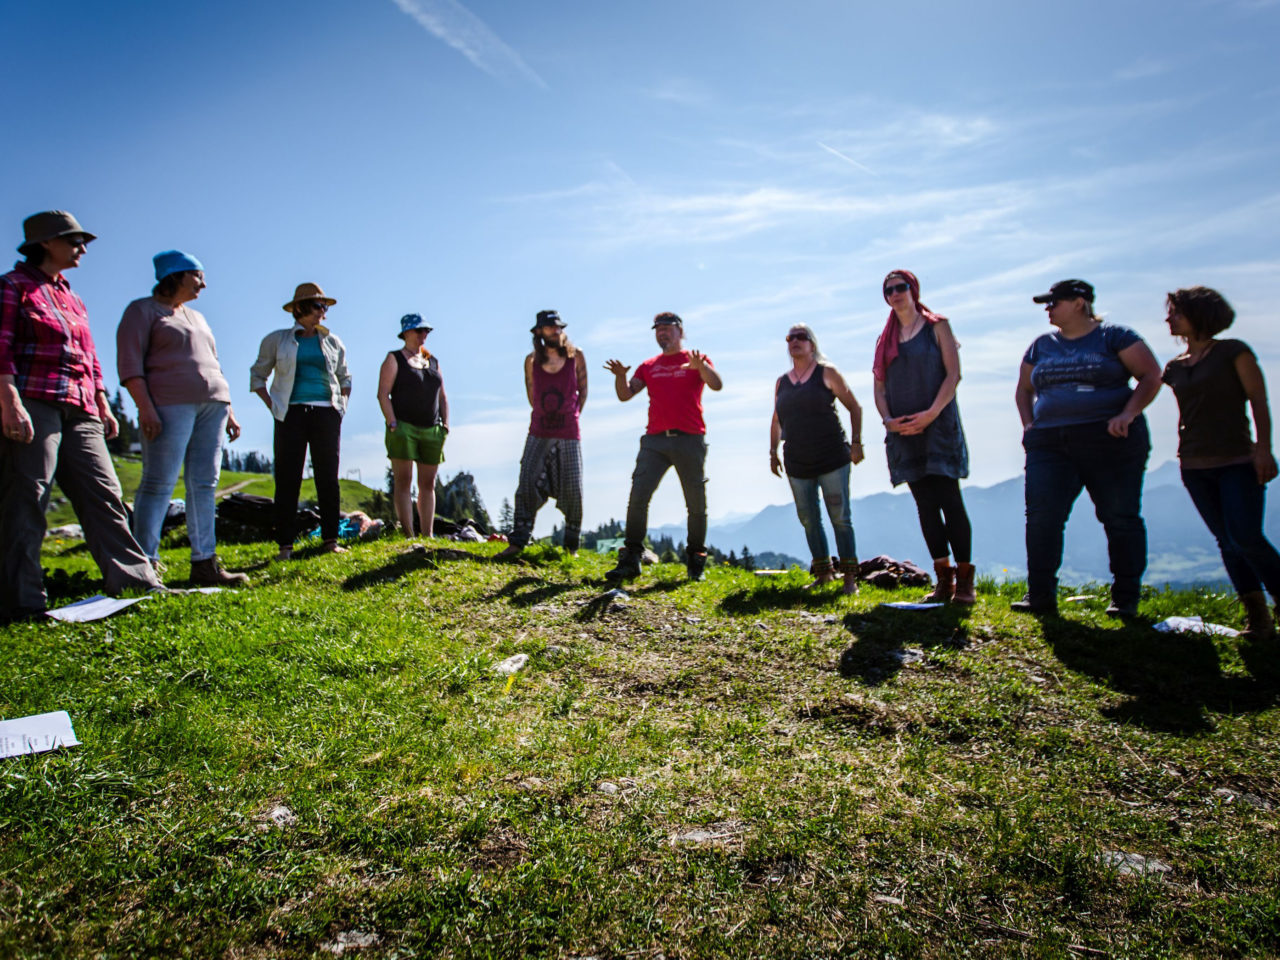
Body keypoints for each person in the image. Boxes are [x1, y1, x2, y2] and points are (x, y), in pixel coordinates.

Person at [0, 210, 163, 621]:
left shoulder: (73, 298)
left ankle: (135, 581)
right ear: (45, 244)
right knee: (28, 495)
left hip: (82, 408)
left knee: (104, 493)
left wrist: (103, 403)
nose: (82, 249)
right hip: (33, 400)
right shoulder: (13, 287)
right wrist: (9, 400)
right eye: (74, 241)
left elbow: (89, 359)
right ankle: (22, 600)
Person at [1013, 279, 1162, 616]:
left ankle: (1125, 598)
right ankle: (1040, 594)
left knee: (1119, 516)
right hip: (1049, 443)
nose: (1048, 309)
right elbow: (1023, 390)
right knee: (1042, 517)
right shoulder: (1041, 346)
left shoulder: (1115, 337)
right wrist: (1029, 426)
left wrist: (1128, 413)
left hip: (1109, 441)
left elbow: (1151, 375)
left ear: (1080, 303)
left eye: (1054, 302)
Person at [117, 251, 248, 586]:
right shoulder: (141, 311)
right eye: (197, 276)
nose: (203, 283)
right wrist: (145, 407)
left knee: (204, 484)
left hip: (213, 406)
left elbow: (214, 363)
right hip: (168, 405)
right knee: (158, 482)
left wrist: (229, 410)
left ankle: (204, 563)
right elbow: (130, 365)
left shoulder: (198, 317)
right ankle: (144, 563)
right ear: (175, 275)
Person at [1162, 286, 1280, 641]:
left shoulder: (1233, 352)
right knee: (1226, 541)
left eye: (1177, 312)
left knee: (1246, 536)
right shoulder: (1174, 368)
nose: (1169, 318)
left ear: (1200, 315)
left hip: (1237, 460)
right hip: (1194, 464)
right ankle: (1258, 620)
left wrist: (1263, 449)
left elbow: (1258, 400)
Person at [872, 270, 975, 603]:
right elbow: (879, 386)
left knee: (950, 499)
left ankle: (965, 583)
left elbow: (953, 374)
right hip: (903, 431)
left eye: (901, 287)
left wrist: (931, 414)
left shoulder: (937, 327)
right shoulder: (885, 338)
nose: (895, 294)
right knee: (925, 505)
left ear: (913, 290)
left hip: (939, 426)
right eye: (889, 290)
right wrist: (888, 420)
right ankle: (943, 581)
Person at [605, 312, 722, 582]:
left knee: (696, 503)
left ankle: (695, 561)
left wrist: (700, 367)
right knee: (638, 497)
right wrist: (620, 376)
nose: (662, 333)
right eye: (658, 329)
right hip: (654, 440)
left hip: (689, 438)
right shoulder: (648, 365)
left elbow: (717, 384)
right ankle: (632, 558)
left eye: (667, 328)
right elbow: (625, 394)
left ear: (680, 331)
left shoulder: (696, 360)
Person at [250, 282, 351, 559]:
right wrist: (274, 406)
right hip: (290, 413)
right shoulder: (277, 340)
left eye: (325, 307)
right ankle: (285, 545)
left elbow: (345, 377)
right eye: (319, 306)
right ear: (301, 308)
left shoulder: (333, 342)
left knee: (328, 477)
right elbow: (258, 376)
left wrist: (340, 407)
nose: (323, 312)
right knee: (287, 478)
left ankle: (331, 539)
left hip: (326, 412)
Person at [770, 323, 863, 593]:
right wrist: (772, 452)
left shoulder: (827, 372)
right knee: (809, 518)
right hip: (797, 460)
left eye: (802, 337)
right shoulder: (782, 382)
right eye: (790, 338)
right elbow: (776, 419)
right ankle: (823, 574)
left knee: (840, 517)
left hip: (832, 456)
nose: (795, 342)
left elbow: (854, 406)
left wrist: (856, 443)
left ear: (812, 344)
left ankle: (849, 579)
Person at [497, 309, 587, 558]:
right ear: (539, 332)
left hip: (569, 431)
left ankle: (571, 546)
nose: (556, 331)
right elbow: (531, 393)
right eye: (550, 328)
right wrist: (544, 413)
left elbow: (583, 390)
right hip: (539, 429)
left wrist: (571, 414)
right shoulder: (531, 360)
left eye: (559, 327)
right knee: (527, 480)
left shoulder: (575, 356)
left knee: (573, 488)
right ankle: (518, 541)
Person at [376, 313, 448, 538]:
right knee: (404, 481)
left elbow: (442, 396)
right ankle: (408, 534)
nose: (423, 335)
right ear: (406, 333)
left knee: (428, 483)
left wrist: (445, 424)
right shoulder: (394, 359)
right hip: (403, 427)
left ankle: (428, 534)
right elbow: (383, 394)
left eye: (426, 331)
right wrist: (392, 422)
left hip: (431, 428)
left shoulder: (433, 361)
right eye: (419, 330)